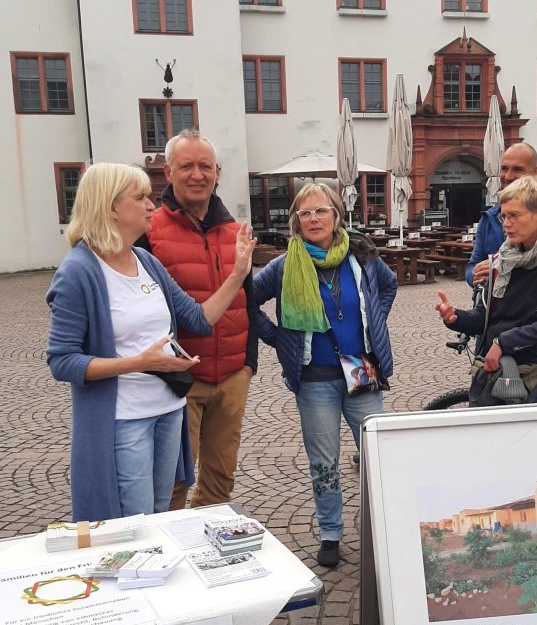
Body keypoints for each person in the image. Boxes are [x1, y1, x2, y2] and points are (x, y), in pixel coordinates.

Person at [46, 162, 255, 522]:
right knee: (135, 522)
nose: (151, 206)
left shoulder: (145, 261)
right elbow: (62, 361)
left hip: (167, 412)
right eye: (140, 197)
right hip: (123, 419)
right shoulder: (78, 271)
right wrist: (140, 363)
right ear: (111, 206)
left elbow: (198, 319)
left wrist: (238, 273)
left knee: (161, 517)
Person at [254, 183, 397, 568]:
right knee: (324, 463)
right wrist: (276, 336)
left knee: (376, 456)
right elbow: (245, 300)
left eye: (321, 211)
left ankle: (386, 527)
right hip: (315, 379)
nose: (313, 218)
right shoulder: (284, 265)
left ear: (337, 215)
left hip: (361, 373)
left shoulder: (361, 256)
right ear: (296, 222)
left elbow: (388, 285)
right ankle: (331, 532)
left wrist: (375, 324)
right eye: (305, 213)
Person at [137, 130, 258, 510]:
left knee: (221, 478)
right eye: (186, 166)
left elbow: (248, 299)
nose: (197, 174)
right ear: (168, 173)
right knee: (174, 480)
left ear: (217, 172)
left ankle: (206, 547)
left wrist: (249, 364)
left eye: (205, 166)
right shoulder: (148, 232)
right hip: (180, 378)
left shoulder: (236, 231)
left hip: (232, 374)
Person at [436, 174, 537, 403]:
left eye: (514, 216)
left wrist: (504, 342)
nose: (506, 224)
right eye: (504, 216)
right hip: (493, 372)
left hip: (535, 376)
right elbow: (488, 317)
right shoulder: (506, 255)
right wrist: (455, 318)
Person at [466, 143, 537, 288]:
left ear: (535, 172)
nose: (508, 176)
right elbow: (472, 264)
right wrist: (477, 275)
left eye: (517, 169)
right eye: (504, 168)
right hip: (493, 306)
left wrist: (498, 269)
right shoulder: (489, 217)